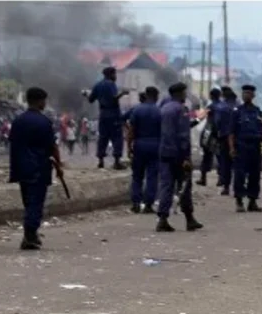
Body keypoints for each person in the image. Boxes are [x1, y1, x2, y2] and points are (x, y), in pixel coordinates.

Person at [8, 87, 63, 250]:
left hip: (21, 167)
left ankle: (30, 234)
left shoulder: (18, 121)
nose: (45, 104)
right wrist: (59, 166)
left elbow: (13, 144)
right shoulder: (44, 122)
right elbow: (53, 146)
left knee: (28, 201)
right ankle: (30, 234)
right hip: (39, 168)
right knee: (36, 202)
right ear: (40, 101)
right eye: (44, 100)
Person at [156, 82, 202, 233]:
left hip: (164, 152)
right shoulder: (182, 109)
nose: (185, 95)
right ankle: (189, 218)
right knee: (185, 185)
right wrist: (186, 157)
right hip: (178, 154)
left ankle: (162, 218)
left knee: (166, 185)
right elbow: (183, 135)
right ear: (180, 93)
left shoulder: (163, 109)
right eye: (184, 92)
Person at [230, 84, 262, 213]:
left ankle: (252, 201)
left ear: (253, 95)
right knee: (240, 175)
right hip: (241, 147)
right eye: (244, 93)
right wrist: (232, 148)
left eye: (249, 93)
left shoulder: (257, 111)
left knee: (255, 175)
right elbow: (231, 132)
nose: (246, 95)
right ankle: (239, 201)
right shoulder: (237, 112)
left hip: (255, 147)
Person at [86, 66, 128, 170]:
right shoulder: (111, 84)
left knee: (103, 137)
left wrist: (86, 94)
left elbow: (90, 100)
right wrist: (123, 93)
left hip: (103, 114)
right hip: (113, 114)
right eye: (115, 74)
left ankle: (101, 161)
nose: (116, 76)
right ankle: (117, 162)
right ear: (110, 74)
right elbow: (114, 99)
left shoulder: (97, 85)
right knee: (117, 137)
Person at [127, 86, 161, 214]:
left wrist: (129, 147)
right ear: (156, 96)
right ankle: (148, 204)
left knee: (137, 175)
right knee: (152, 176)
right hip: (155, 145)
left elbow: (131, 131)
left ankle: (136, 203)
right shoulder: (159, 111)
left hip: (140, 145)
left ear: (146, 95)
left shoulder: (137, 110)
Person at [215, 86, 236, 195]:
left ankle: (226, 187)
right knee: (238, 163)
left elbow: (217, 122)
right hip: (237, 139)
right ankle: (238, 187)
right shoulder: (239, 107)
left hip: (224, 137)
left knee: (225, 163)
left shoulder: (221, 108)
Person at [199, 88, 222, 186]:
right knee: (220, 157)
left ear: (211, 96)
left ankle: (203, 178)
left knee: (206, 156)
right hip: (219, 134)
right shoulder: (222, 106)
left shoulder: (211, 106)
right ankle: (221, 179)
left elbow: (201, 117)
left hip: (209, 133)